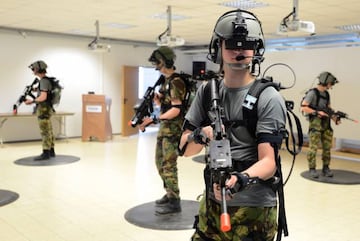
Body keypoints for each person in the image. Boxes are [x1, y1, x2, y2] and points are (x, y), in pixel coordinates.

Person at [179, 9, 287, 241]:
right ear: (218, 47)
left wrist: (240, 179)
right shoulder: (207, 91)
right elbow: (185, 149)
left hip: (253, 209)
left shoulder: (268, 97)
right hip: (211, 204)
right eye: (232, 44)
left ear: (256, 49)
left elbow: (269, 162)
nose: (239, 50)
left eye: (246, 44)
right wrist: (199, 135)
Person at [138, 46, 186, 215]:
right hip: (165, 130)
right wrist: (158, 101)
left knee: (168, 165)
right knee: (160, 163)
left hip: (173, 131)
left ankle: (175, 201)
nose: (156, 66)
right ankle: (169, 193)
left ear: (165, 61)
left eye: (158, 63)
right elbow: (167, 106)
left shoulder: (175, 82)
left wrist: (155, 119)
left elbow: (177, 109)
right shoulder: (166, 81)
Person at [300, 71, 340, 178]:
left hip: (326, 125)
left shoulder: (326, 94)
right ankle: (312, 169)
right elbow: (303, 107)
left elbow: (329, 109)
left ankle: (326, 168)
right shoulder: (312, 93)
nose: (331, 86)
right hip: (315, 125)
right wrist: (317, 112)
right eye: (330, 83)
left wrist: (335, 117)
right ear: (325, 82)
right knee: (313, 148)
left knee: (327, 148)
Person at [25, 60, 55, 160]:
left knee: (45, 131)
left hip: (43, 109)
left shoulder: (43, 81)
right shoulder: (46, 80)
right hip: (48, 108)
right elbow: (44, 91)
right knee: (49, 129)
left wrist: (32, 101)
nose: (32, 70)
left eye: (33, 69)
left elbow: (43, 97)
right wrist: (33, 89)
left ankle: (46, 153)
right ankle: (51, 151)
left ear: (38, 69)